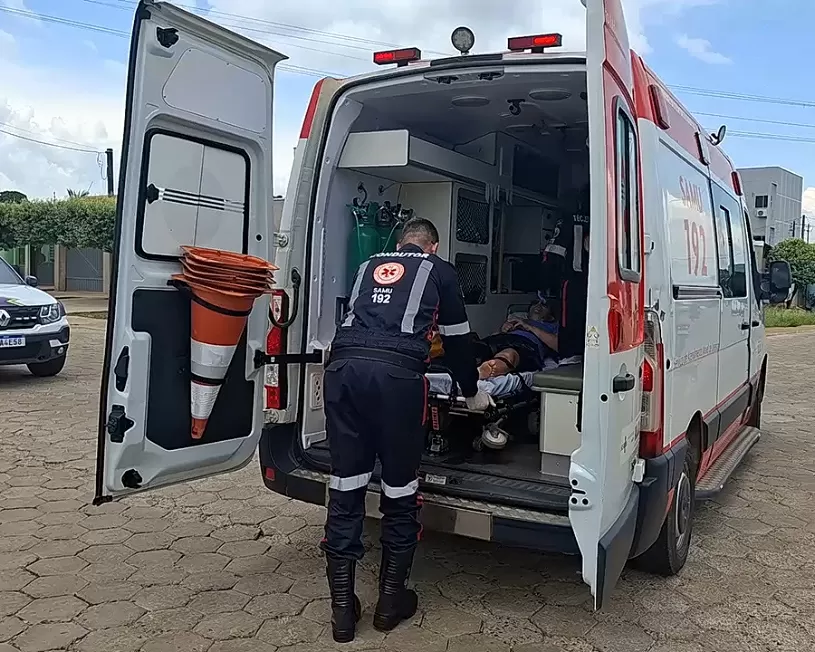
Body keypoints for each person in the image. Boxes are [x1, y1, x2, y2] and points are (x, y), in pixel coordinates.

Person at [322, 217, 490, 642]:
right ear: (433, 246)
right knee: (399, 490)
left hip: (343, 373)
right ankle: (390, 602)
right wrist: (471, 391)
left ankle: (342, 613)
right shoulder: (440, 270)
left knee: (346, 487)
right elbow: (457, 340)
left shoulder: (368, 265)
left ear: (400, 245)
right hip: (397, 381)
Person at [477, 301, 559, 379]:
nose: (538, 306)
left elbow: (558, 345)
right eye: (535, 303)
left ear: (550, 316)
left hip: (527, 344)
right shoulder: (518, 320)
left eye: (544, 305)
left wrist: (530, 328)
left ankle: (487, 369)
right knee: (479, 346)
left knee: (508, 354)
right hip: (504, 338)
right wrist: (504, 329)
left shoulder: (553, 326)